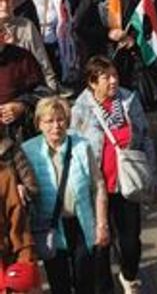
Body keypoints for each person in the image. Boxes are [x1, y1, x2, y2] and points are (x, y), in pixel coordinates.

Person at [69, 55, 153, 292]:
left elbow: (145, 137)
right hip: (97, 188)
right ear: (92, 82)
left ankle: (128, 273)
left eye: (115, 75)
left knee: (131, 241)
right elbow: (74, 148)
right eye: (106, 77)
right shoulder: (81, 108)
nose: (113, 81)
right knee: (101, 242)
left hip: (128, 183)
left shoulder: (129, 100)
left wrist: (151, 175)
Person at [23, 95, 108, 294]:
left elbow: (98, 186)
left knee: (85, 280)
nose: (56, 126)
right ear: (39, 124)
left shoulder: (82, 146)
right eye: (49, 121)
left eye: (60, 120)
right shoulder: (28, 150)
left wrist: (102, 224)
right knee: (58, 283)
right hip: (49, 227)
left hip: (81, 223)